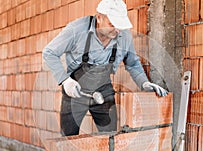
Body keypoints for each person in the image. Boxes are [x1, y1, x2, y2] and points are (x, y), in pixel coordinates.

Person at [42, 0, 168, 136]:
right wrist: (65, 81)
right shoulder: (76, 30)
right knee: (68, 138)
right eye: (112, 24)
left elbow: (133, 63)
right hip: (76, 90)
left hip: (103, 91)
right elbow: (49, 52)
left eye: (120, 25)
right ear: (99, 18)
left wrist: (144, 83)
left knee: (110, 137)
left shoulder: (123, 35)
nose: (118, 30)